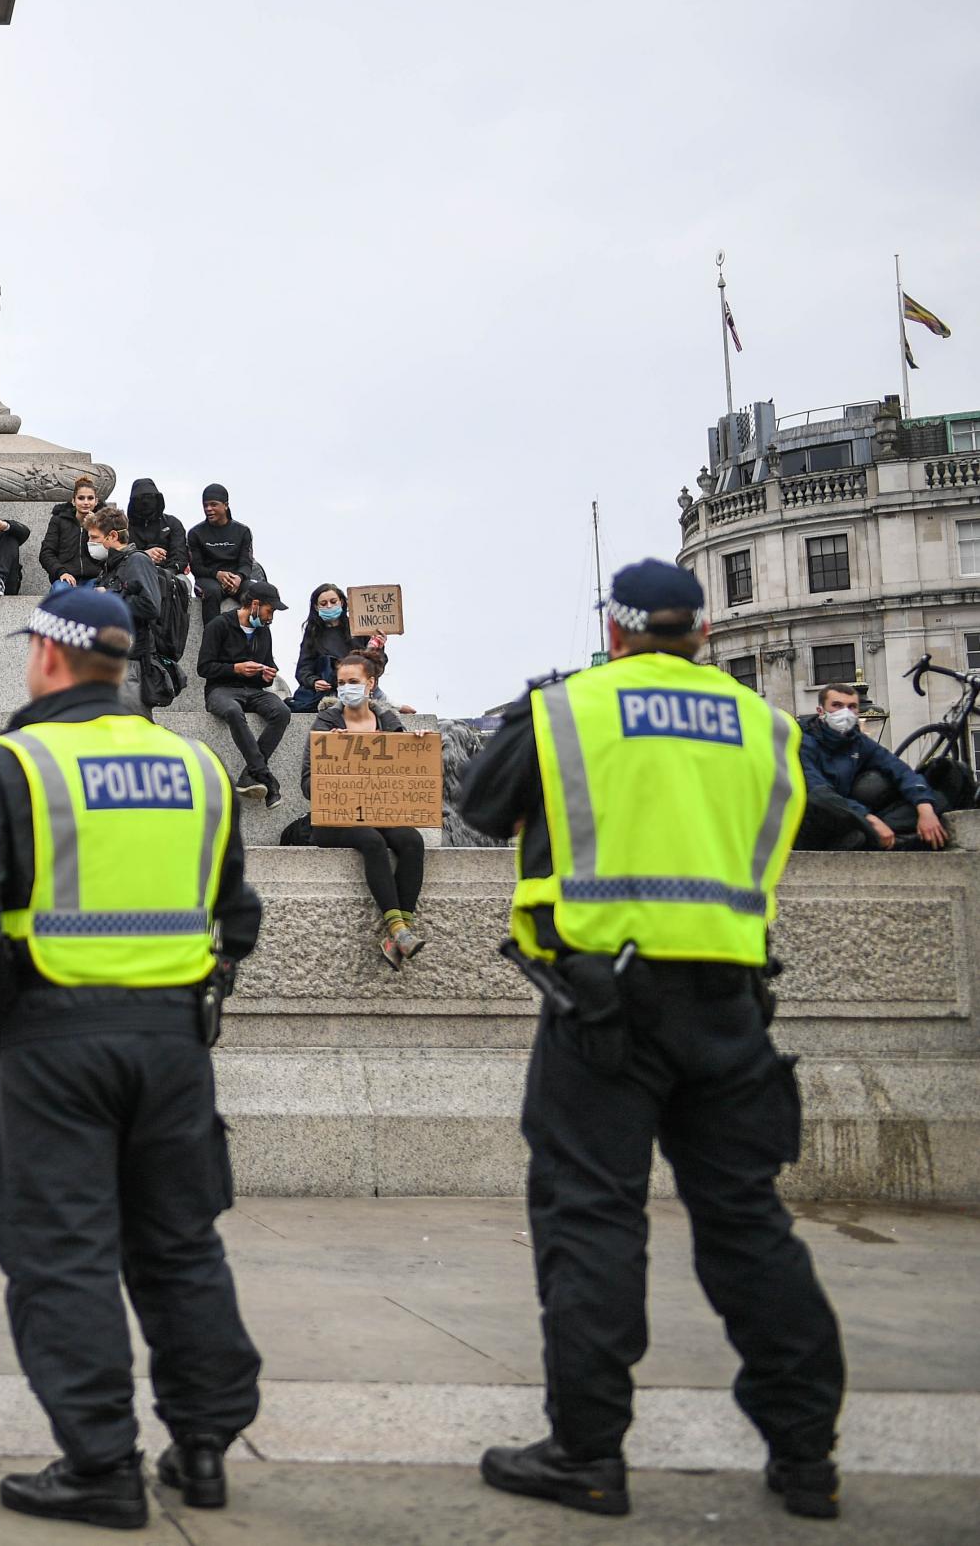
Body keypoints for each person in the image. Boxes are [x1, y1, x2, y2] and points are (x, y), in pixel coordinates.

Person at [459, 559, 843, 1523]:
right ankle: (806, 1457)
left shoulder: (566, 711)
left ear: (616, 630)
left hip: (603, 1009)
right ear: (702, 634)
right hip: (732, 1004)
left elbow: (476, 806)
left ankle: (588, 1455)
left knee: (591, 1221)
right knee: (750, 1225)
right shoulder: (767, 726)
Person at [0, 585, 263, 1530]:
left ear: (52, 658)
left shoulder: (18, 763)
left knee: (63, 1255)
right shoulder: (195, 765)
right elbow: (239, 917)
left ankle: (102, 1463)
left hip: (54, 1044)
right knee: (180, 1245)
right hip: (175, 1045)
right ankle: (203, 1445)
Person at [302, 649, 427, 964]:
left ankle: (400, 932)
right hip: (334, 821)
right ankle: (397, 927)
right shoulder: (325, 722)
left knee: (411, 841)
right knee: (371, 840)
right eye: (341, 682)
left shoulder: (388, 721)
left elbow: (408, 776)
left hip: (379, 812)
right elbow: (306, 786)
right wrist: (331, 756)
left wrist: (417, 747)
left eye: (353, 681)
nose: (345, 687)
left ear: (371, 683)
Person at [794, 683, 950, 851]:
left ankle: (879, 838)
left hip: (853, 816)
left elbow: (899, 770)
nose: (845, 712)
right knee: (840, 816)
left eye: (851, 707)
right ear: (820, 711)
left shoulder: (858, 742)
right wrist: (869, 819)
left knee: (937, 800)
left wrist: (924, 807)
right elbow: (818, 794)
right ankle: (884, 838)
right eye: (837, 705)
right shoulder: (804, 741)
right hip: (815, 819)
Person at [198, 579, 288, 805]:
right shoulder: (218, 625)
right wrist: (235, 668)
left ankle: (251, 774)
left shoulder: (264, 632)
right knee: (232, 711)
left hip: (254, 691)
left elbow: (268, 664)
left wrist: (268, 674)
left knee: (282, 712)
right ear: (255, 605)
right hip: (222, 690)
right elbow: (204, 668)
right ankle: (265, 775)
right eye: (270, 611)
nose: (271, 617)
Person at [86, 507, 179, 713]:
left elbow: (149, 605)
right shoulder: (111, 567)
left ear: (112, 536)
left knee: (132, 728)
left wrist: (108, 596)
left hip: (132, 664)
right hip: (111, 662)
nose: (91, 543)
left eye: (94, 537)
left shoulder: (137, 560)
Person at [186, 484, 257, 626]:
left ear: (225, 505)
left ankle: (252, 640)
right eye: (205, 505)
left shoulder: (242, 531)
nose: (208, 509)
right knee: (212, 592)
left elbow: (246, 563)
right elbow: (197, 568)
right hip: (209, 579)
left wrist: (239, 577)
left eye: (213, 505)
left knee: (255, 593)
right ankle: (212, 638)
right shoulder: (195, 533)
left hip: (236, 579)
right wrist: (217, 574)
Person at [286, 585, 351, 714]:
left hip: (356, 686)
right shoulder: (313, 632)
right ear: (316, 607)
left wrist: (378, 645)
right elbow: (303, 668)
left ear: (341, 602)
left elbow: (374, 662)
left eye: (333, 602)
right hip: (324, 691)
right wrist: (314, 681)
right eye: (323, 603)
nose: (329, 606)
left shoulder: (357, 629)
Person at [37, 476, 100, 591]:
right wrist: (61, 572)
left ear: (96, 501)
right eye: (81, 498)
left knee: (97, 596)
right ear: (73, 501)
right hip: (66, 578)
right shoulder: (59, 521)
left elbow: (109, 551)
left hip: (95, 579)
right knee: (60, 591)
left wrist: (94, 526)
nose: (86, 502)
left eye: (90, 498)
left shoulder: (103, 522)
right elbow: (46, 553)